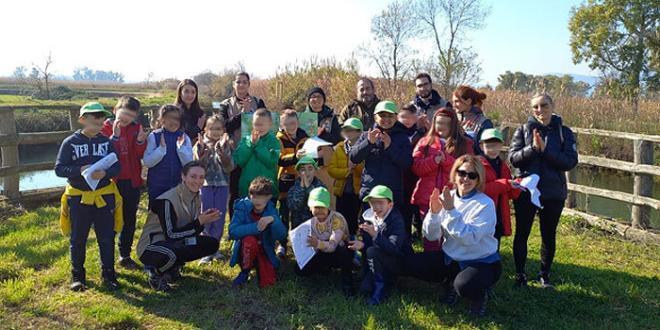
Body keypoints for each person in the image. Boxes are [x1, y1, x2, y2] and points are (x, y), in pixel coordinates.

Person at [509, 93, 578, 288]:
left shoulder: (564, 132)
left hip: (553, 192)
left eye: (544, 105)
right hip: (526, 192)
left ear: (553, 105)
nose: (540, 110)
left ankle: (544, 275)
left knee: (548, 234)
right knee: (522, 232)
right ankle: (520, 274)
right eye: (536, 107)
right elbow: (513, 159)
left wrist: (546, 150)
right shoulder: (522, 130)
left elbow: (570, 161)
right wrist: (532, 148)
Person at [423, 155, 502, 317]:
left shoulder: (485, 204)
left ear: (478, 179)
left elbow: (469, 239)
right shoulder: (448, 196)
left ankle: (479, 295)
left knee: (464, 286)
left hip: (481, 261)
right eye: (462, 173)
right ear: (455, 173)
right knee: (412, 263)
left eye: (472, 175)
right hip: (451, 257)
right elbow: (431, 236)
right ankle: (451, 280)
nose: (465, 179)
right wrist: (434, 213)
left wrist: (451, 211)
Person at [56, 102, 122, 291]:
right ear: (82, 120)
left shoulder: (107, 142)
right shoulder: (70, 143)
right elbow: (59, 169)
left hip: (103, 195)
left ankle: (109, 273)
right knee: (78, 238)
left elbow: (117, 166)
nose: (99, 123)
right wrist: (79, 169)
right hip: (79, 198)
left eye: (102, 119)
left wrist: (106, 173)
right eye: (94, 119)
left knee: (106, 236)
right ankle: (78, 276)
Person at [137, 161, 221, 292]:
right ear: (183, 177)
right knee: (172, 252)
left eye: (201, 177)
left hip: (175, 242)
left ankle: (172, 269)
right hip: (152, 246)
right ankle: (155, 274)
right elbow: (171, 235)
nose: (197, 181)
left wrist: (203, 220)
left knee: (211, 244)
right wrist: (199, 222)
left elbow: (188, 229)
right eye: (193, 176)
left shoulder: (196, 197)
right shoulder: (166, 200)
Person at [411, 107, 471, 251]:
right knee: (430, 232)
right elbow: (416, 167)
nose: (441, 127)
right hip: (427, 196)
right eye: (438, 123)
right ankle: (431, 263)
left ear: (453, 125)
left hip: (452, 196)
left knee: (450, 231)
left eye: (446, 123)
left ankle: (448, 263)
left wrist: (447, 161)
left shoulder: (464, 143)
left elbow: (468, 168)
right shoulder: (425, 142)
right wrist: (433, 161)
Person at [100, 96, 147, 270]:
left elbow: (140, 154)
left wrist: (141, 141)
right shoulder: (105, 129)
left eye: (131, 116)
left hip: (132, 181)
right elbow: (106, 154)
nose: (127, 118)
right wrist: (115, 136)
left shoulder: (136, 129)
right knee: (110, 220)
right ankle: (107, 257)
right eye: (124, 113)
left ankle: (125, 255)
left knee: (129, 218)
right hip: (112, 182)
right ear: (115, 110)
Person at [347, 186, 412, 305]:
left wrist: (375, 234)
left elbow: (394, 248)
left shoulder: (396, 220)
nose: (376, 207)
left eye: (380, 203)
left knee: (372, 252)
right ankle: (373, 277)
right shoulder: (368, 218)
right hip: (377, 259)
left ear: (390, 204)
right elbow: (370, 245)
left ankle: (381, 290)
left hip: (398, 260)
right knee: (364, 289)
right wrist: (362, 245)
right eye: (373, 203)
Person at [218, 72, 267, 218]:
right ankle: (235, 223)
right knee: (235, 190)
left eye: (245, 82)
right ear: (234, 84)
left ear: (249, 84)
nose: (241, 85)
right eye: (238, 82)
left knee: (257, 189)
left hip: (255, 154)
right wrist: (242, 114)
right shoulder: (225, 104)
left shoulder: (258, 102)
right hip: (236, 154)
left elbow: (267, 123)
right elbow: (224, 126)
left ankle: (255, 221)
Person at [349, 100, 413, 208]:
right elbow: (354, 157)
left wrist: (390, 147)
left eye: (390, 116)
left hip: (392, 195)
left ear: (395, 117)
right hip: (370, 193)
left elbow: (407, 163)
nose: (386, 119)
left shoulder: (403, 138)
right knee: (367, 224)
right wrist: (369, 143)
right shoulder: (366, 135)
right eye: (382, 116)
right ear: (375, 117)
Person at [295, 187, 355, 297]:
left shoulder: (337, 219)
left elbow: (333, 244)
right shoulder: (311, 223)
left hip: (338, 251)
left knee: (343, 250)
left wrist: (318, 244)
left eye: (323, 206)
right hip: (322, 250)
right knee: (300, 270)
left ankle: (348, 281)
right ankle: (324, 269)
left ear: (328, 206)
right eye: (316, 207)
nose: (319, 210)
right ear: (310, 208)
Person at [229, 177, 287, 288]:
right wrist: (257, 227)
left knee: (269, 281)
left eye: (260, 201)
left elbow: (282, 235)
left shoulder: (271, 210)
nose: (256, 203)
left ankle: (266, 266)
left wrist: (273, 220)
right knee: (249, 240)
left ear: (269, 198)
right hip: (245, 250)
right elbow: (232, 231)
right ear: (249, 196)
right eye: (253, 198)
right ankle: (245, 271)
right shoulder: (242, 207)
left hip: (265, 250)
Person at [193, 115, 235, 264]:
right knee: (206, 214)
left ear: (223, 130)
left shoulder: (226, 145)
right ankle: (205, 248)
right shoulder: (200, 145)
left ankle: (215, 247)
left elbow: (230, 167)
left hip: (222, 185)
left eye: (218, 128)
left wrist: (224, 154)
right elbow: (198, 166)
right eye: (212, 128)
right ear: (206, 130)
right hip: (206, 185)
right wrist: (202, 154)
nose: (215, 132)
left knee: (219, 215)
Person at [478, 128, 522, 249]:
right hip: (481, 213)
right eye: (489, 146)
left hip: (498, 213)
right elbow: (480, 188)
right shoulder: (477, 165)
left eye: (496, 146)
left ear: (501, 146)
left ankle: (493, 265)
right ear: (481, 146)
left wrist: (517, 186)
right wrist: (507, 184)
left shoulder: (503, 167)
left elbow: (508, 193)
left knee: (494, 244)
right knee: (480, 244)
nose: (492, 150)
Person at [276, 108, 309, 257]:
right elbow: (279, 160)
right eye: (287, 124)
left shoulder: (305, 137)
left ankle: (298, 243)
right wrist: (295, 156)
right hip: (284, 181)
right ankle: (282, 244)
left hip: (301, 181)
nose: (291, 127)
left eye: (293, 123)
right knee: (283, 214)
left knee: (299, 215)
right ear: (282, 125)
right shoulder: (278, 139)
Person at [143, 105, 193, 203]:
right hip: (157, 186)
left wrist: (181, 149)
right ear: (162, 119)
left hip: (177, 185)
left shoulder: (184, 137)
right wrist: (161, 150)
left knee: (175, 214)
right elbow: (147, 162)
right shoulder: (154, 136)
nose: (173, 122)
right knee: (155, 214)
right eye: (170, 118)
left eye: (177, 119)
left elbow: (189, 164)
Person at [327, 118, 365, 237]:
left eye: (353, 130)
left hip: (356, 191)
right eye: (347, 130)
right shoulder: (339, 148)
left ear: (360, 132)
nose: (349, 133)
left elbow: (365, 171)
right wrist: (346, 172)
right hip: (341, 191)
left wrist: (355, 168)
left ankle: (352, 240)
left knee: (354, 218)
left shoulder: (365, 148)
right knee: (341, 216)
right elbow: (331, 169)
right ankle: (341, 239)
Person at [233, 108, 280, 199]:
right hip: (247, 188)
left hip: (267, 190)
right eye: (256, 124)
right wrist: (251, 144)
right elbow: (239, 160)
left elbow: (271, 162)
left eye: (261, 125)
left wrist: (258, 145)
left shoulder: (274, 141)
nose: (258, 127)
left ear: (270, 124)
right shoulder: (246, 140)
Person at [398, 103, 427, 238]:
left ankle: (421, 232)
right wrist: (419, 132)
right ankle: (406, 236)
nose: (407, 120)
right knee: (404, 210)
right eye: (403, 117)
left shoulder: (422, 131)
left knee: (417, 207)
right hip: (401, 178)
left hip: (417, 176)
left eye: (410, 117)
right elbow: (407, 146)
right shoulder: (397, 131)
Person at [287, 156, 325, 230]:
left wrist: (308, 187)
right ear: (298, 172)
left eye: (310, 169)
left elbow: (318, 205)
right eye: (303, 169)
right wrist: (301, 188)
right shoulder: (293, 188)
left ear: (315, 170)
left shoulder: (321, 187)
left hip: (317, 228)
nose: (307, 172)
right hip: (298, 228)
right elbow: (294, 206)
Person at [452, 85, 493, 154]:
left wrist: (464, 135)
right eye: (453, 102)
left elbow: (487, 151)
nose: (454, 105)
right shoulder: (453, 118)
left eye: (457, 101)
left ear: (468, 101)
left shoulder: (484, 123)